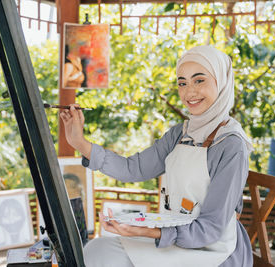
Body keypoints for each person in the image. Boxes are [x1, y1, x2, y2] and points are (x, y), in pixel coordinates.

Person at [59, 45, 253, 267]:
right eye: (182, 83)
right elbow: (133, 169)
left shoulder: (231, 146)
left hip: (214, 252)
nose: (189, 92)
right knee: (95, 251)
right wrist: (80, 143)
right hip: (176, 241)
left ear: (222, 82)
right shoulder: (180, 134)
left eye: (199, 80)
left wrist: (149, 231)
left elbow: (210, 228)